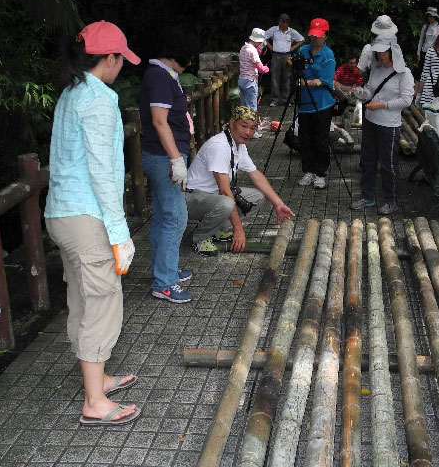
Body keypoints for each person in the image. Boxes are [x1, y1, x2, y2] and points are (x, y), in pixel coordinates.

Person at [44, 21, 141, 426]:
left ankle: (97, 381)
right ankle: (94, 402)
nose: (122, 67)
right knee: (102, 301)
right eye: (121, 59)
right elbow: (104, 173)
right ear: (110, 58)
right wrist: (121, 235)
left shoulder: (72, 92)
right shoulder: (100, 99)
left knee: (82, 300)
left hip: (61, 214)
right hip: (87, 217)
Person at [139, 27, 200, 304]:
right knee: (175, 218)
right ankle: (164, 283)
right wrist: (176, 159)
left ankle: (164, 269)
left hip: (163, 155)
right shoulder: (160, 76)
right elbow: (160, 121)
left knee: (164, 216)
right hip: (164, 157)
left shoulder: (161, 75)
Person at [185, 106, 295, 255]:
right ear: (231, 123)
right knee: (227, 202)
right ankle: (199, 238)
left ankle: (217, 229)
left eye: (252, 128)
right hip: (190, 198)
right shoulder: (219, 146)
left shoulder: (238, 145)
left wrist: (278, 204)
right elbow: (224, 190)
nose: (248, 132)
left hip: (211, 196)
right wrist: (239, 230)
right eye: (243, 125)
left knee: (256, 197)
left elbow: (255, 175)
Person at [350, 35, 414, 214]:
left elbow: (407, 100)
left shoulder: (404, 73)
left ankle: (390, 200)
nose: (381, 55)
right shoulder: (376, 69)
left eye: (385, 51)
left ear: (393, 51)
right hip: (370, 120)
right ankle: (366, 196)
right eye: (378, 52)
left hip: (389, 125)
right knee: (368, 161)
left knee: (388, 164)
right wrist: (362, 93)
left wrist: (382, 105)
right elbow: (370, 89)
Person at [295, 17, 336, 190]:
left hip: (322, 104)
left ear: (326, 36)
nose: (315, 38)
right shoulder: (303, 50)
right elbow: (294, 66)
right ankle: (308, 171)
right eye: (313, 35)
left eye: (319, 35)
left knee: (321, 140)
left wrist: (307, 82)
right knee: (305, 139)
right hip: (304, 104)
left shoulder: (328, 55)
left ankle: (320, 173)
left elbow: (325, 80)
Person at [264, 13, 305, 106]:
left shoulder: (291, 31)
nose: (285, 24)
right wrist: (269, 46)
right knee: (275, 77)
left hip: (287, 56)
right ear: (279, 22)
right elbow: (263, 36)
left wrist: (293, 48)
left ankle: (286, 99)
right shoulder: (274, 30)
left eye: (286, 22)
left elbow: (302, 39)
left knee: (287, 77)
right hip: (276, 55)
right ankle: (275, 99)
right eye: (283, 22)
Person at [239, 28, 269, 111]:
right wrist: (267, 68)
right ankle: (252, 124)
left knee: (244, 108)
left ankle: (244, 123)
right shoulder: (252, 51)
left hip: (242, 80)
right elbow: (261, 69)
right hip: (250, 82)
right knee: (252, 108)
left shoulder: (244, 48)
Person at [414, 6, 439, 99]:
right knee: (420, 71)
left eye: (431, 16)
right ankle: (415, 93)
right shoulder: (425, 27)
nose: (429, 18)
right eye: (428, 16)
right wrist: (418, 52)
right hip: (424, 51)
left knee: (429, 72)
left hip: (433, 53)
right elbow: (421, 40)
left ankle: (425, 93)